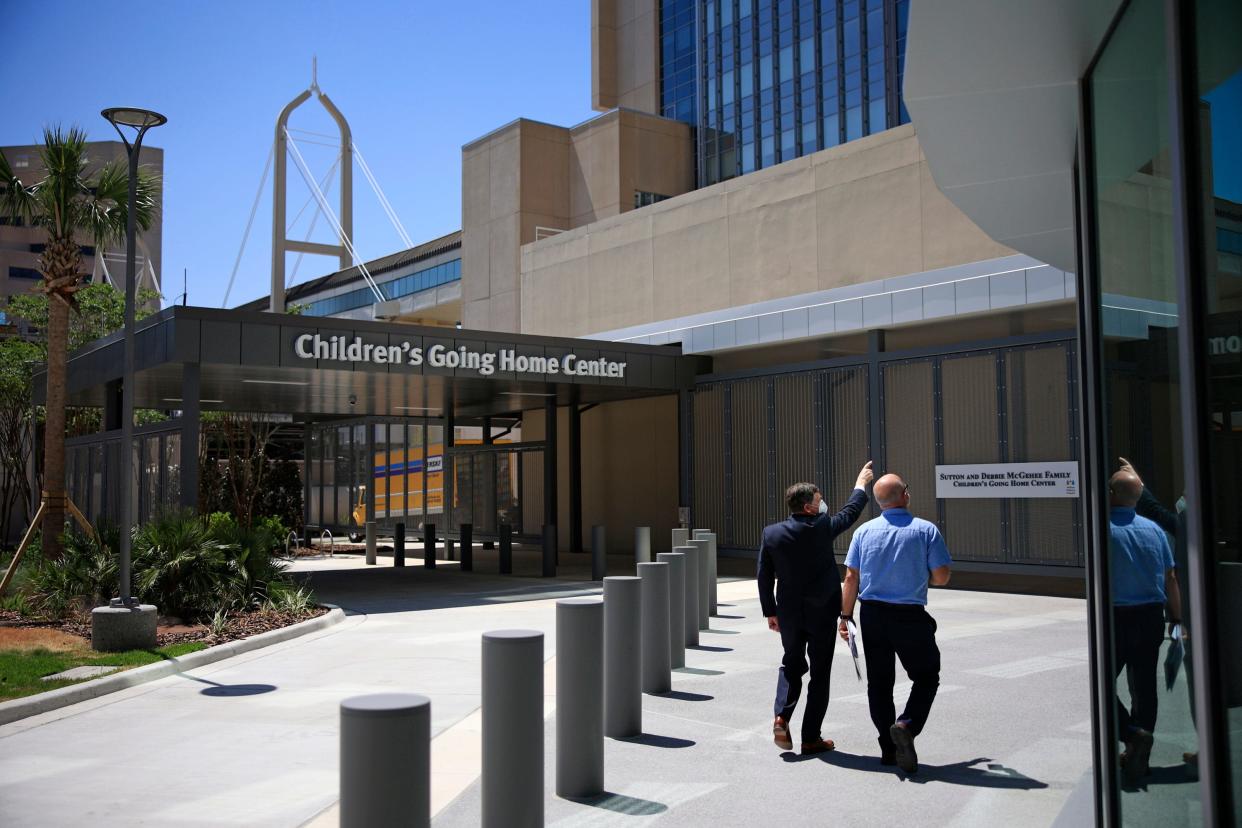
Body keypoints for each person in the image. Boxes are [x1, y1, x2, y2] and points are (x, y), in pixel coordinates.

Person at [758, 462, 874, 755]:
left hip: (789, 613)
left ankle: (781, 716)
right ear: (809, 507)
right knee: (820, 673)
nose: (823, 504)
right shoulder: (823, 527)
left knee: (792, 664)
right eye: (820, 499)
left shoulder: (771, 534)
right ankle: (811, 737)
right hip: (822, 613)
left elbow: (764, 575)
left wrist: (770, 611)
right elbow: (850, 512)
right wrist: (861, 484)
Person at [839, 474, 951, 774]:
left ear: (879, 502)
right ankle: (906, 724)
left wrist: (845, 617)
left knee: (879, 684)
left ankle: (888, 749)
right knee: (927, 676)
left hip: (872, 615)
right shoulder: (925, 530)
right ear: (905, 495)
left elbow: (850, 578)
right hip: (909, 615)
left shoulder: (863, 532)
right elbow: (941, 576)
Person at [1107, 470, 1182, 785]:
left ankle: (1131, 735)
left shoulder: (1104, 529)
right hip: (1152, 616)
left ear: (1112, 493)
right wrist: (1176, 620)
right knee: (1144, 689)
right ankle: (1141, 758)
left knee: (1099, 685)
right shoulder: (1154, 530)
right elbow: (1170, 579)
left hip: (1117, 617)